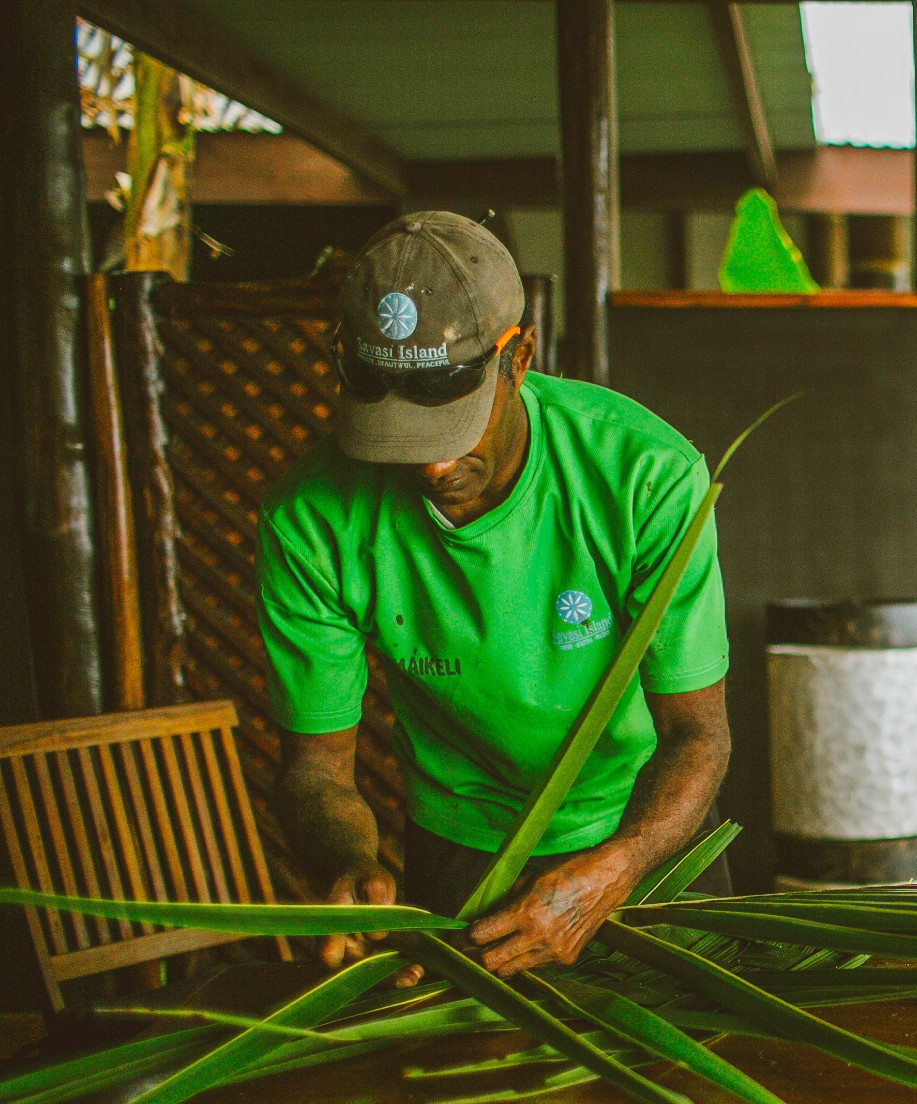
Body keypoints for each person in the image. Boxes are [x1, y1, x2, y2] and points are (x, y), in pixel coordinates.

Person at [258, 211, 731, 983]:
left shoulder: (645, 475)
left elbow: (700, 736)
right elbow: (316, 768)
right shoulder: (311, 518)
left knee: (686, 1070)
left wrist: (619, 865)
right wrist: (348, 865)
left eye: (453, 423)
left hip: (644, 831)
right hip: (463, 844)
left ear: (518, 357)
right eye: (398, 434)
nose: (433, 465)